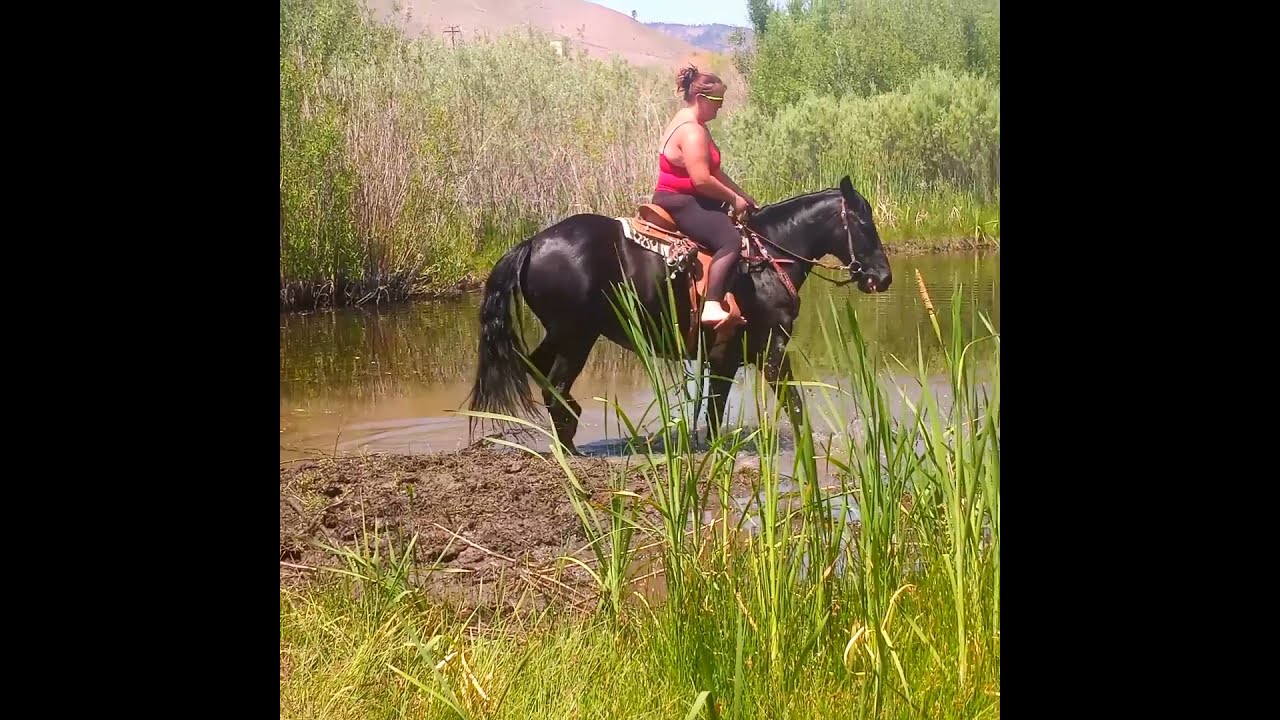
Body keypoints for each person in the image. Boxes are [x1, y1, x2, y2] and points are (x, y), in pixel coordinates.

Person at [651, 65, 758, 327]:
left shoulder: (691, 121)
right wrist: (733, 200)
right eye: (717, 101)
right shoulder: (692, 131)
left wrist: (743, 196)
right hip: (680, 200)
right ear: (701, 99)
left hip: (684, 197)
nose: (720, 107)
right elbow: (701, 180)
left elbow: (714, 172)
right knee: (730, 239)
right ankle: (711, 305)